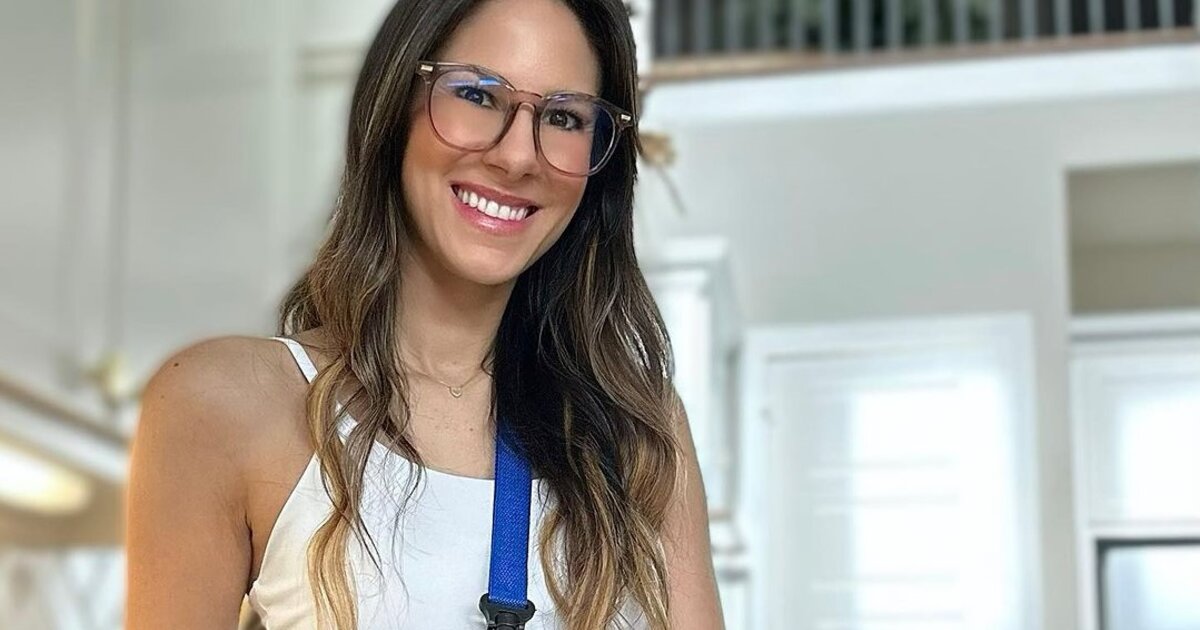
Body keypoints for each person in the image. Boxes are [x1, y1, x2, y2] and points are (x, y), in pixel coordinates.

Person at [124, 0, 724, 628]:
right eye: (477, 94)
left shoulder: (637, 430)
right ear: (395, 105)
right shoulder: (224, 403)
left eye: (563, 117)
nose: (518, 156)